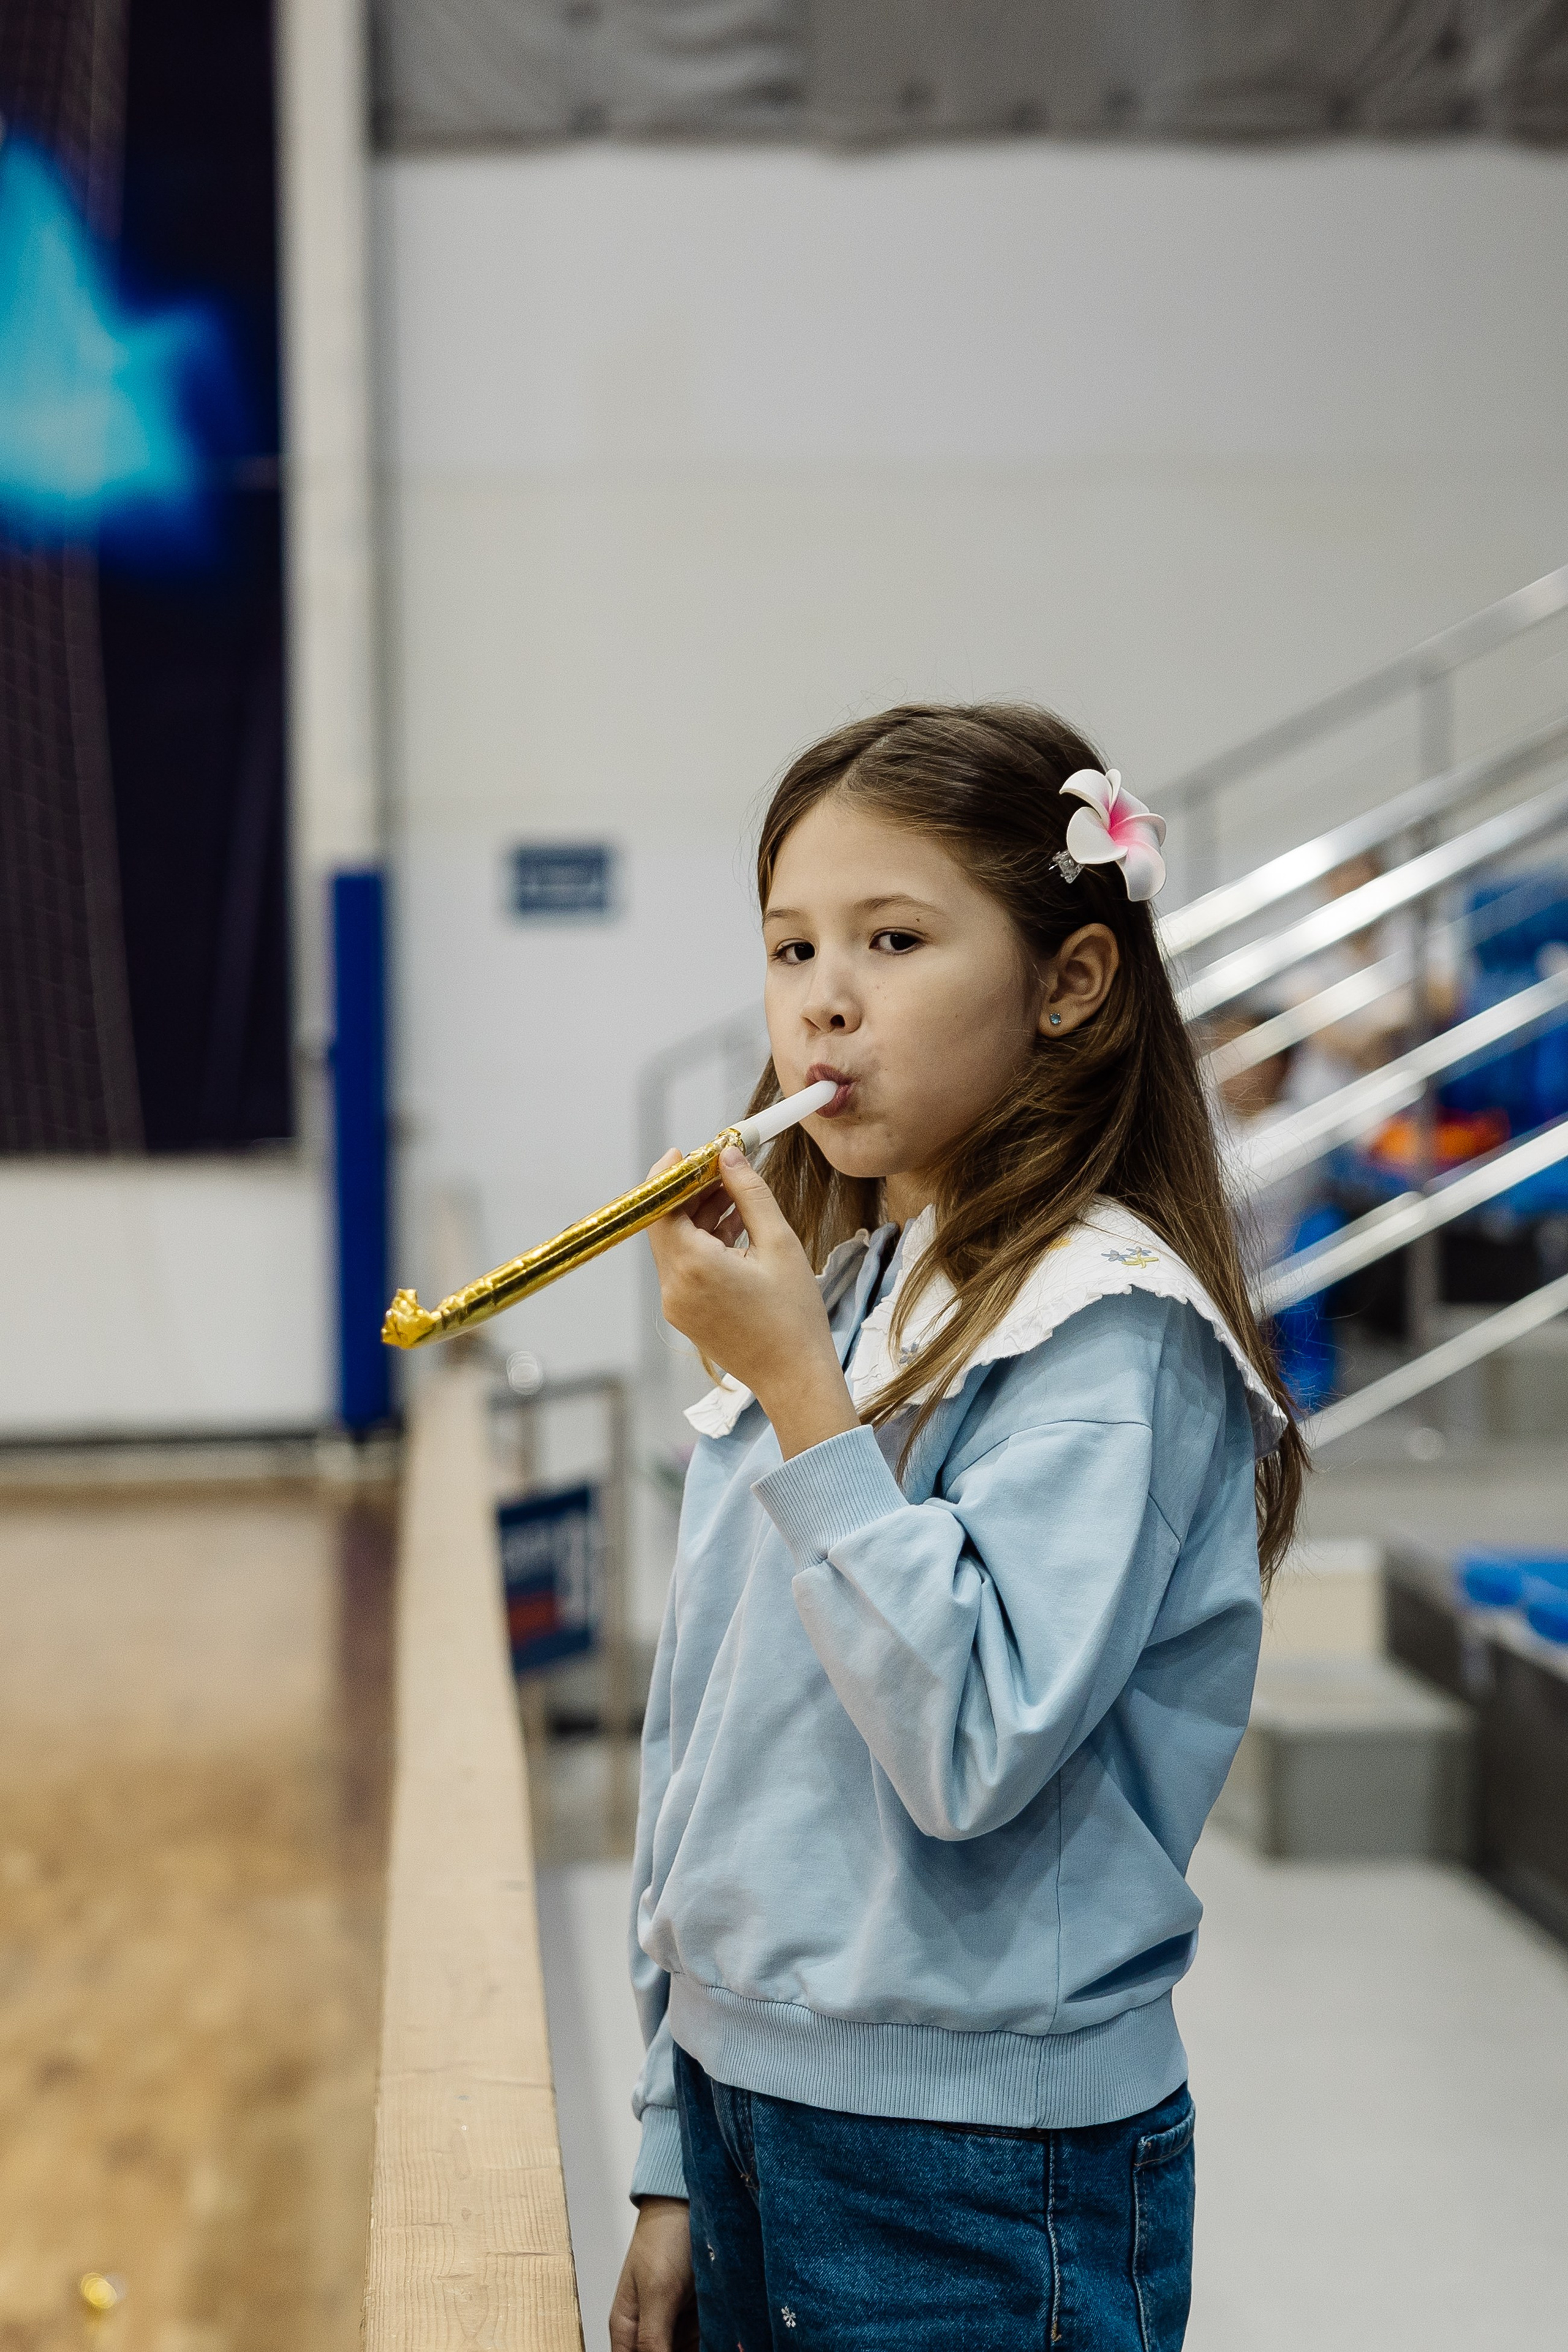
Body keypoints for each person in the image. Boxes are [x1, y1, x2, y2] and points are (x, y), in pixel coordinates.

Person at [610, 706, 1303, 2352]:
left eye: (894, 938)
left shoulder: (1109, 1330)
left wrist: (796, 1398)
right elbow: (705, 1739)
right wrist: (665, 2126)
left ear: (1070, 985)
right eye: (790, 949)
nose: (821, 998)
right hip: (739, 2100)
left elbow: (973, 1742)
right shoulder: (843, 1302)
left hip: (975, 2163)